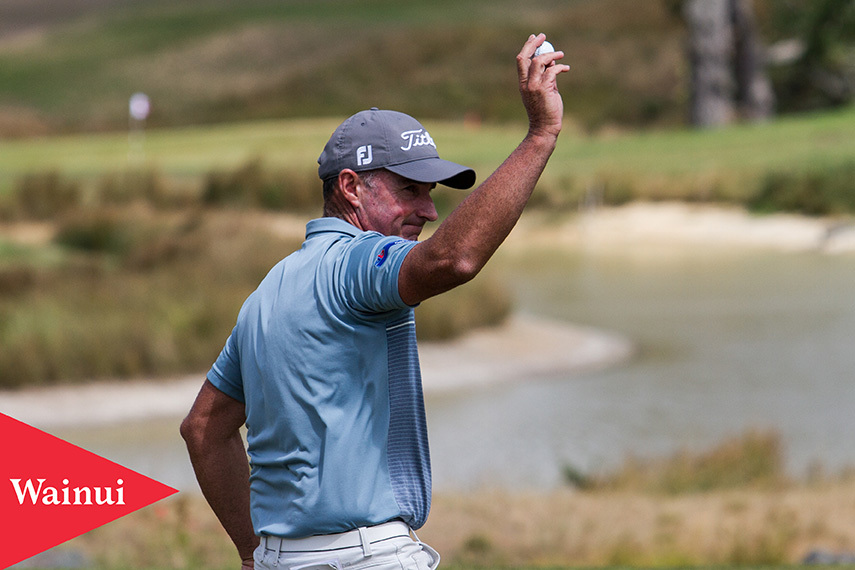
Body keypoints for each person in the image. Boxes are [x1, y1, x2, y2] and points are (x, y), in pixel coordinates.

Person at [180, 33, 569, 570]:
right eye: (410, 190)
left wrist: (253, 552)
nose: (428, 211)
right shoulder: (358, 261)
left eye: (430, 193)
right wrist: (541, 136)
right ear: (351, 187)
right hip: (367, 557)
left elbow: (204, 429)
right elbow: (452, 260)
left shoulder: (266, 292)